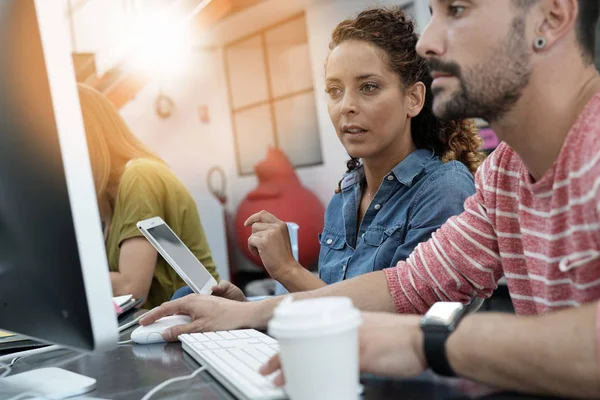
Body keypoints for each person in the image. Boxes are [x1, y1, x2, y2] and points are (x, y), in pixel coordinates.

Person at [141, 1, 600, 397]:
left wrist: (422, 341)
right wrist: (247, 312)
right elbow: (405, 285)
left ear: (551, 17)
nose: (428, 42)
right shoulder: (504, 176)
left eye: (457, 9)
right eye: (335, 91)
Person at [231, 5, 483, 296]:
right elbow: (332, 299)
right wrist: (246, 309)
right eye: (335, 91)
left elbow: (404, 322)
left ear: (413, 99)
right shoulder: (343, 198)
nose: (346, 106)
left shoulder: (444, 189)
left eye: (369, 87)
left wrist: (288, 270)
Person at [78, 84, 219, 308]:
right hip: (166, 323)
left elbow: (131, 289)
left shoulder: (140, 176)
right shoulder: (107, 203)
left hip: (197, 322)